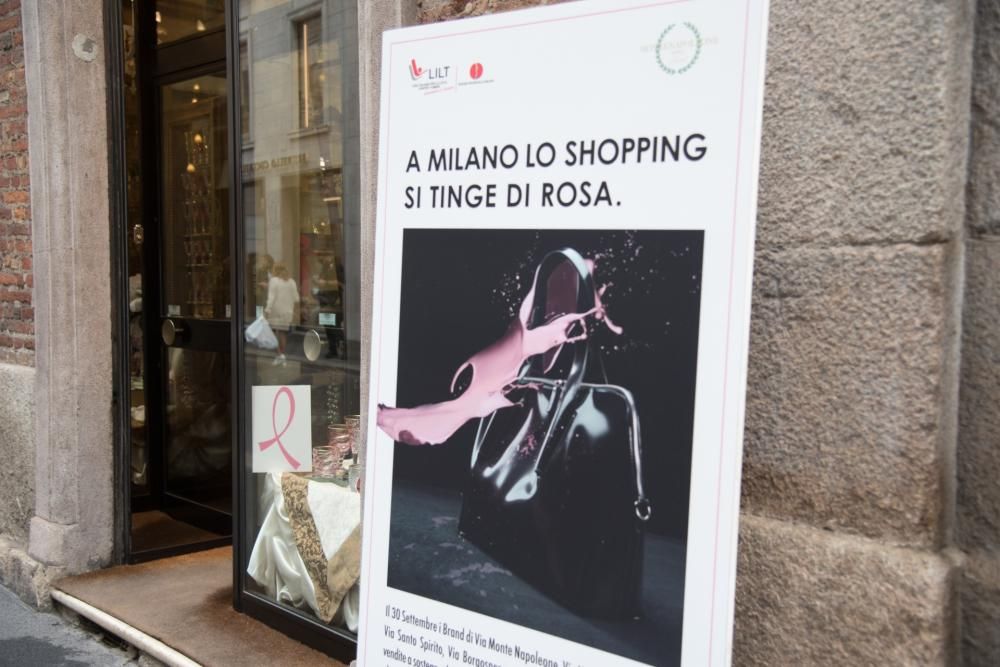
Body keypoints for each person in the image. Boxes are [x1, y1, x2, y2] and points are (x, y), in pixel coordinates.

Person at [265, 262, 300, 365]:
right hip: (287, 312)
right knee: (282, 334)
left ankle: (279, 355)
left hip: (275, 311)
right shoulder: (292, 281)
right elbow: (296, 298)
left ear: (275, 270)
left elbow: (271, 298)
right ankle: (282, 355)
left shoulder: (274, 281)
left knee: (273, 334)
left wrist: (267, 310)